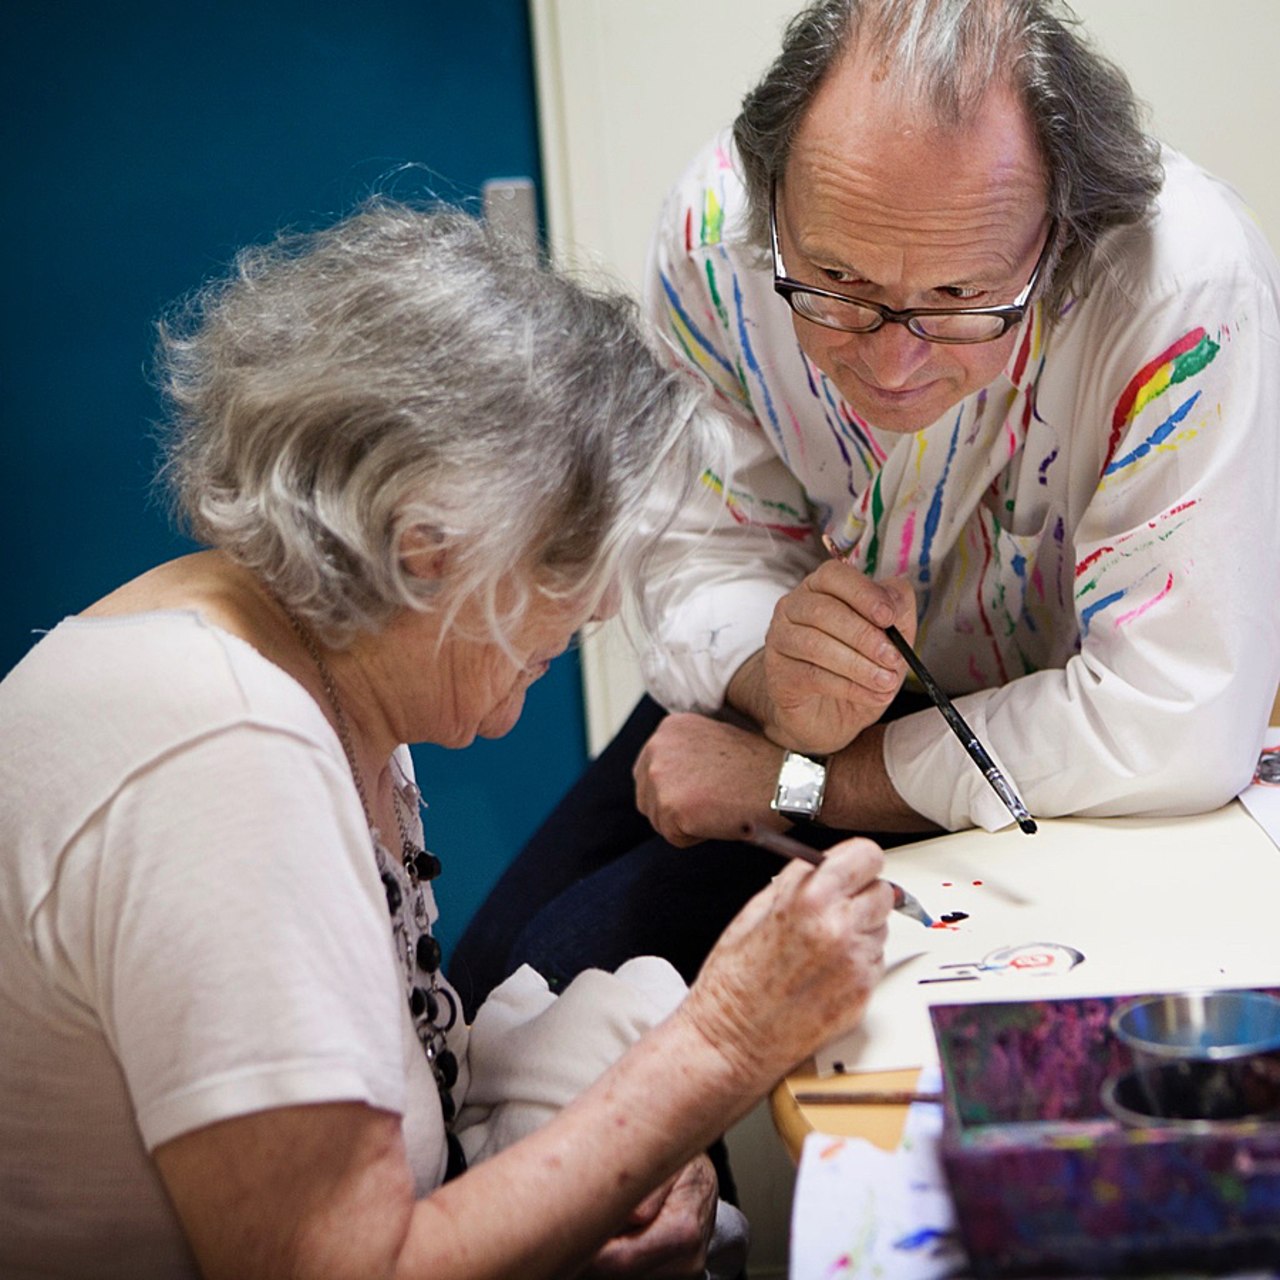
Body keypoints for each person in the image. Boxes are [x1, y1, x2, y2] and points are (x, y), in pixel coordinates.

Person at [0, 201, 894, 1279]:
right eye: (573, 559)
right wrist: (717, 1045)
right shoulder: (224, 749)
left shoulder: (320, 663)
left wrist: (608, 1176)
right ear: (428, 549)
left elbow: (394, 1112)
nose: (601, 605)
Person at [447, 0, 1280, 1013]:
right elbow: (694, 546)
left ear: (1059, 232)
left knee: (577, 972)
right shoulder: (718, 233)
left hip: (1041, 748)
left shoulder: (1174, 286)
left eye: (958, 299)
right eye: (834, 282)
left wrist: (799, 781)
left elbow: (1169, 721)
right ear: (772, 198)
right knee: (493, 982)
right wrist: (770, 678)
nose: (890, 366)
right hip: (782, 680)